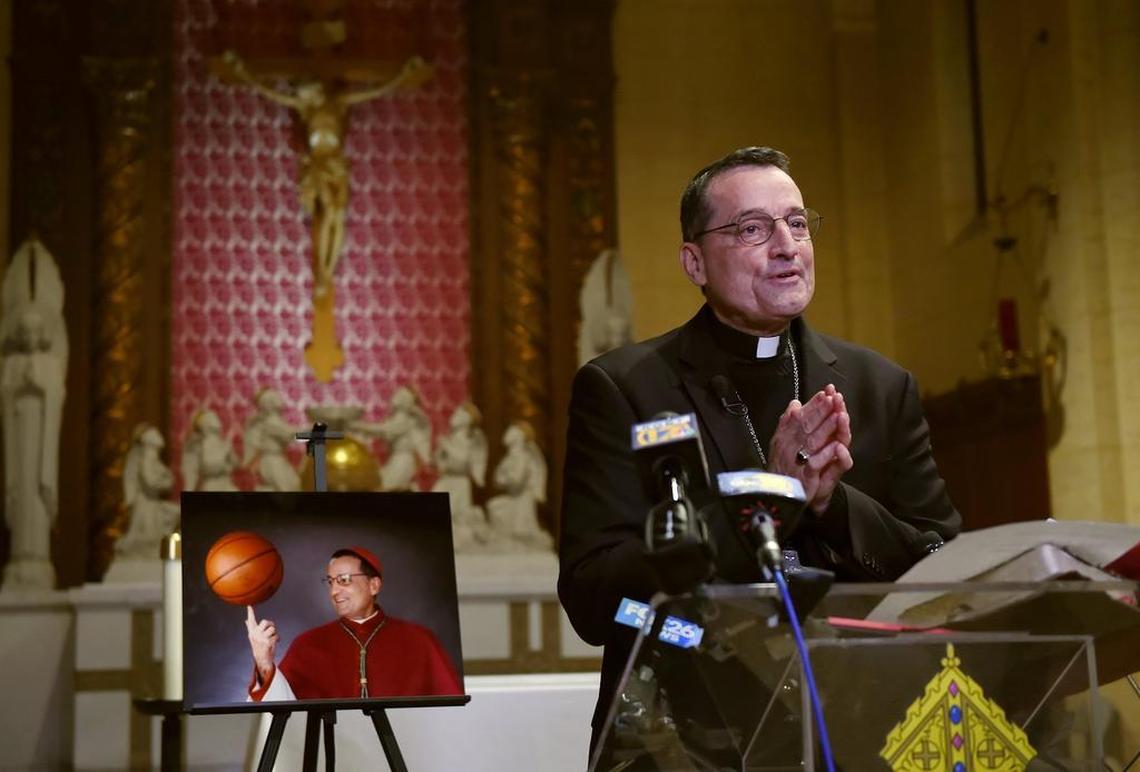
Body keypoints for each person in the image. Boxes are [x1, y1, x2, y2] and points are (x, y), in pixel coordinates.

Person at [557, 147, 961, 748]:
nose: (786, 244)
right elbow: (594, 601)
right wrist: (770, 499)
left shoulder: (880, 386)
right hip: (689, 737)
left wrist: (832, 506)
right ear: (694, 262)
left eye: (797, 223)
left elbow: (945, 571)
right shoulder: (625, 388)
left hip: (857, 734)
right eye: (752, 228)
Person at [245, 546, 461, 701]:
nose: (334, 591)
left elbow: (451, 715)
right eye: (330, 582)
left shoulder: (420, 640)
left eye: (344, 580)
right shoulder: (308, 644)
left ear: (374, 585)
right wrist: (264, 663)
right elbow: (284, 716)